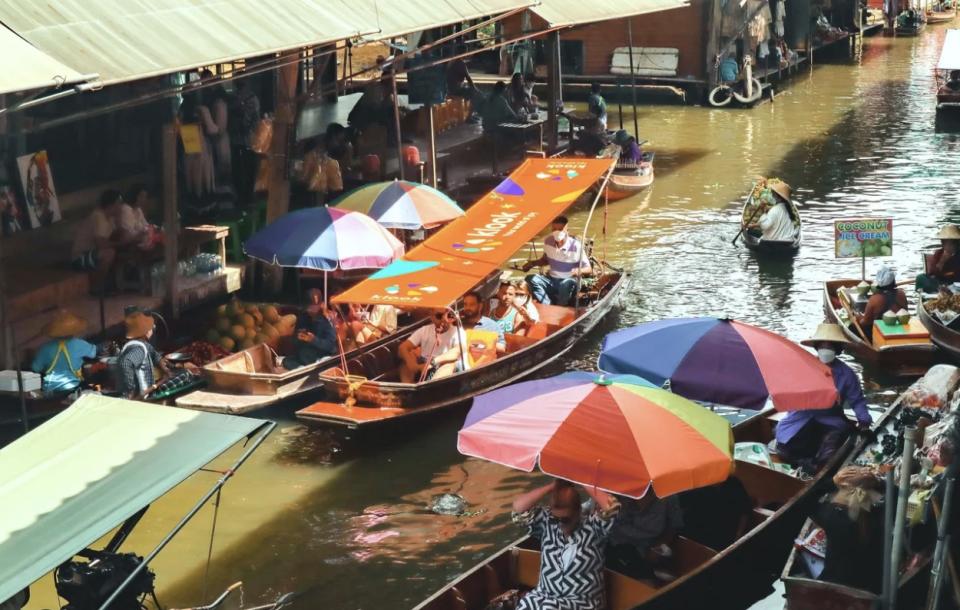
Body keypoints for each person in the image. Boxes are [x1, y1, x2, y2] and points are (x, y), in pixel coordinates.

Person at [775, 324, 873, 473]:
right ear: (817, 347)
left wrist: (864, 421)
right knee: (782, 448)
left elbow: (857, 400)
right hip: (801, 416)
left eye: (830, 346)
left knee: (827, 458)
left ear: (838, 349)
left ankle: (817, 468)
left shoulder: (846, 374)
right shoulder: (802, 366)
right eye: (822, 345)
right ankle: (804, 463)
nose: (826, 349)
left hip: (830, 420)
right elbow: (787, 393)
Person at [512, 480, 619, 610]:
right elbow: (518, 509)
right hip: (545, 597)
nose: (560, 524)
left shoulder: (594, 529)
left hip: (582, 604)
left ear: (578, 511)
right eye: (555, 518)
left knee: (549, 608)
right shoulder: (547, 524)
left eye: (565, 519)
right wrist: (553, 486)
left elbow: (612, 507)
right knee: (527, 604)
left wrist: (582, 480)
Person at [811, 466, 884, 592]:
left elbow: (804, 500)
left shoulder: (832, 516)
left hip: (836, 583)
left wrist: (832, 482)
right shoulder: (879, 514)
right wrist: (879, 483)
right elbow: (897, 494)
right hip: (872, 585)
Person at [606, 493, 683, 580]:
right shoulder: (618, 494)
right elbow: (608, 524)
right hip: (619, 547)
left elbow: (674, 526)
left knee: (670, 577)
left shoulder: (668, 496)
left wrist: (661, 544)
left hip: (651, 547)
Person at [523, 216, 592, 306]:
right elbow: (545, 260)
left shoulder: (576, 246)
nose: (557, 232)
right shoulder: (548, 241)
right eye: (554, 229)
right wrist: (532, 263)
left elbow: (589, 269)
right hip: (551, 280)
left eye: (560, 229)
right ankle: (548, 305)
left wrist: (579, 271)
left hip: (569, 281)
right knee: (530, 279)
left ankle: (561, 306)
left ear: (567, 230)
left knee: (565, 284)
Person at [30, 310, 95, 395]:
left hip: (50, 389)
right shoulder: (79, 344)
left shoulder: (45, 348)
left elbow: (36, 368)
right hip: (73, 386)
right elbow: (93, 353)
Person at [71, 189, 122, 294]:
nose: (120, 207)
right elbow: (101, 244)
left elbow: (117, 235)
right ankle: (96, 287)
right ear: (110, 205)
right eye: (118, 203)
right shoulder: (98, 216)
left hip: (93, 254)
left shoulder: (110, 218)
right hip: (80, 258)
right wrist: (121, 244)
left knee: (112, 252)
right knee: (109, 253)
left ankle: (111, 284)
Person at [398, 309, 468, 382]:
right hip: (425, 364)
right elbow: (403, 348)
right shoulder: (425, 330)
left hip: (444, 365)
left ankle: (430, 389)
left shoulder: (458, 331)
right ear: (431, 317)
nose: (444, 319)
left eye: (448, 315)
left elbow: (457, 351)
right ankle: (408, 389)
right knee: (406, 361)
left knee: (448, 365)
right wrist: (413, 365)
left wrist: (433, 362)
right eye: (439, 316)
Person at [116, 311, 168, 398]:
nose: (153, 329)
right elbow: (126, 362)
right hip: (142, 397)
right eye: (151, 328)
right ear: (146, 332)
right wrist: (131, 389)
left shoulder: (143, 344)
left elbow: (154, 355)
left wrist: (165, 368)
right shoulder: (138, 349)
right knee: (184, 376)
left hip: (147, 391)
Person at [282, 288, 338, 369]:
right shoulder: (302, 318)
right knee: (286, 361)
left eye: (315, 307)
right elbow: (294, 341)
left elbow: (330, 345)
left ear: (321, 305)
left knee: (327, 360)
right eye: (311, 307)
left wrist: (313, 340)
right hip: (305, 357)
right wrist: (298, 338)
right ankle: (301, 369)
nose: (313, 310)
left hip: (322, 356)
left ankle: (312, 368)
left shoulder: (327, 318)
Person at [229, 79, 261, 206]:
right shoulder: (236, 99)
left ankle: (247, 200)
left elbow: (247, 123)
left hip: (247, 142)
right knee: (240, 173)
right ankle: (243, 200)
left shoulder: (251, 100)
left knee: (247, 173)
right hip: (240, 143)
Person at [857, 266, 907, 336]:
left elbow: (866, 322)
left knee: (853, 326)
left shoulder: (874, 299)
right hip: (899, 330)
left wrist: (858, 318)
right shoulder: (901, 294)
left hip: (881, 333)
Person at [916, 224, 960, 292]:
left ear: (956, 242)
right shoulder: (939, 253)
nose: (942, 243)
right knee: (920, 278)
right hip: (940, 284)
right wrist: (942, 261)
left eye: (946, 241)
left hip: (956, 284)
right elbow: (932, 273)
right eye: (942, 241)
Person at [118, 184, 161, 251]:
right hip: (131, 244)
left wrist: (152, 228)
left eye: (145, 197)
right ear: (134, 196)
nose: (144, 199)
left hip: (143, 240)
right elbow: (129, 235)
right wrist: (143, 232)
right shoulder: (125, 209)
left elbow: (146, 225)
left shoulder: (138, 209)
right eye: (141, 196)